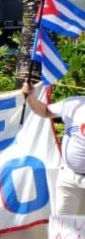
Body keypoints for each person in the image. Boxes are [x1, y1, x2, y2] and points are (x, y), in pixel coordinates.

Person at [21, 81, 85, 215]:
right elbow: (44, 111)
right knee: (64, 228)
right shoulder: (74, 104)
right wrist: (31, 96)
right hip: (70, 178)